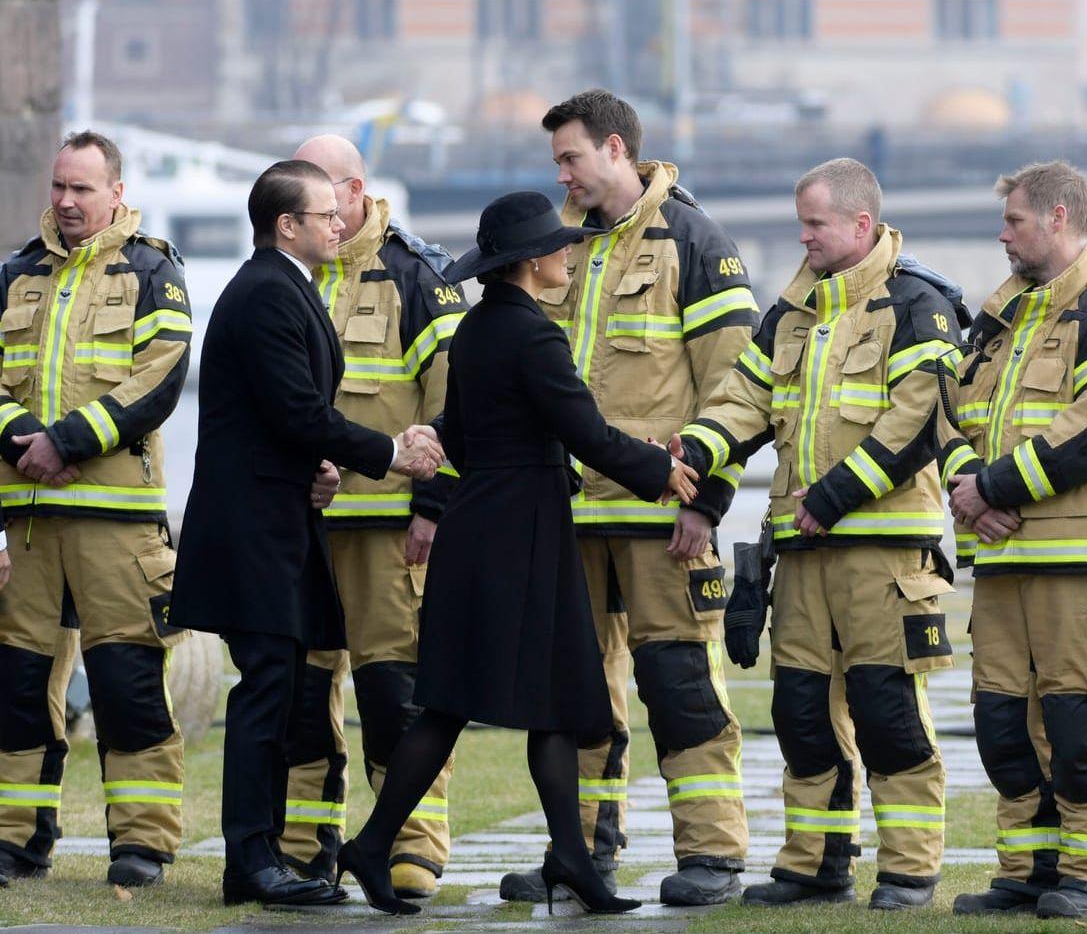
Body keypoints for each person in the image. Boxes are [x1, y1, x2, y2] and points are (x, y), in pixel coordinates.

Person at [337, 190, 697, 916]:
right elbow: (585, 431)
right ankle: (381, 844)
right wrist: (662, 472)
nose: (568, 254)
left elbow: (462, 440)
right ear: (533, 263)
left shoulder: (474, 330)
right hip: (521, 536)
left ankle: (561, 857)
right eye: (559, 247)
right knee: (526, 699)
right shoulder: (534, 336)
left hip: (485, 529)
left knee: (495, 702)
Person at [676, 157, 962, 910]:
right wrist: (698, 447)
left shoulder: (918, 305)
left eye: (815, 225)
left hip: (883, 552)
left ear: (861, 225)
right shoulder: (793, 312)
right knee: (801, 714)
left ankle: (907, 870)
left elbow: (919, 418)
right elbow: (742, 394)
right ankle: (814, 863)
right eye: (801, 223)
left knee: (888, 714)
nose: (802, 238)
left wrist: (834, 495)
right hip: (800, 553)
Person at [499, 89, 756, 908]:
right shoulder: (561, 246)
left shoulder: (694, 241)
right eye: (556, 163)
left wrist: (705, 503)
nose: (561, 176)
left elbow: (738, 391)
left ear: (615, 149)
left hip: (661, 520)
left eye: (570, 158)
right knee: (571, 694)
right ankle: (581, 855)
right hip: (568, 519)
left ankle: (712, 856)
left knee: (679, 685)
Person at [170, 159, 443, 908]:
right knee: (265, 694)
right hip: (251, 534)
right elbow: (296, 410)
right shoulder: (265, 292)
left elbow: (281, 425)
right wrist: (390, 453)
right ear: (286, 224)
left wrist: (318, 471)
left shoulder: (288, 288)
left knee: (281, 688)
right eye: (323, 214)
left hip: (280, 524)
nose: (337, 223)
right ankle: (251, 862)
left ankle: (260, 856)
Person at [940, 161, 1087, 918]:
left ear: (1058, 218)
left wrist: (992, 488)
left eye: (1015, 223)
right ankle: (1029, 868)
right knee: (1002, 725)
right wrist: (968, 487)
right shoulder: (1002, 319)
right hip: (1001, 563)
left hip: (1080, 563)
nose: (1003, 237)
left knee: (1080, 726)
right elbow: (950, 415)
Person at [276, 135, 468, 898]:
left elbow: (456, 401)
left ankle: (411, 847)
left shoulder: (416, 277)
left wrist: (432, 507)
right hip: (303, 530)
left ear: (353, 192)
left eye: (317, 190)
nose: (307, 206)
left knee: (396, 695)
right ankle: (303, 847)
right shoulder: (287, 276)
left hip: (391, 532)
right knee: (301, 698)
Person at [0, 131, 190, 888]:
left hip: (118, 522)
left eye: (82, 188)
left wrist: (69, 441)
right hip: (31, 518)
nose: (67, 202)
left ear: (116, 191)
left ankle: (142, 844)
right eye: (58, 187)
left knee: (129, 684)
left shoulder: (153, 270)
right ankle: (17, 839)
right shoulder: (16, 273)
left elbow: (161, 375)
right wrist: (22, 443)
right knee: (16, 685)